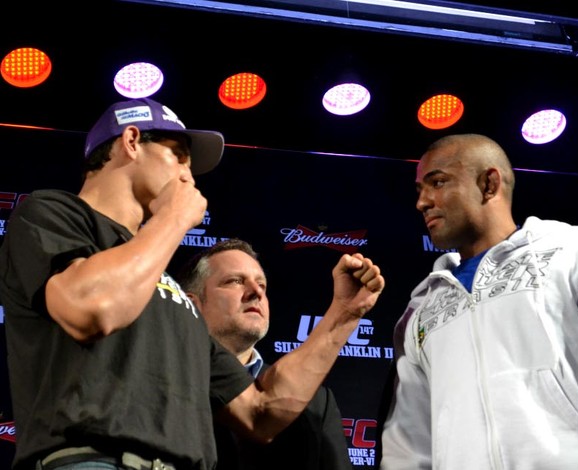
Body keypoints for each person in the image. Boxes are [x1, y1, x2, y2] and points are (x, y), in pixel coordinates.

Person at [0, 97, 385, 470]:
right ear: (132, 142)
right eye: (178, 155)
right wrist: (173, 218)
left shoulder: (172, 294)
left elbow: (260, 412)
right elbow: (91, 309)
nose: (188, 174)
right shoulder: (52, 213)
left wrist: (344, 316)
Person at [378, 133, 578, 469]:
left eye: (438, 182)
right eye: (420, 190)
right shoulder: (421, 310)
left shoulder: (575, 252)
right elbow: (407, 444)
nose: (423, 202)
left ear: (489, 184)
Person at [177, 238, 353, 470]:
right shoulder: (165, 381)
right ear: (192, 305)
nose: (255, 292)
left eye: (262, 284)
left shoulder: (314, 402)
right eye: (234, 281)